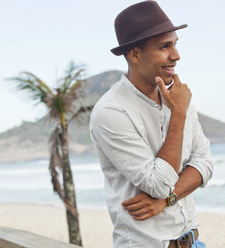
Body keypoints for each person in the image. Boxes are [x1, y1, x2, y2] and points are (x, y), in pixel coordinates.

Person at [90, 1, 213, 247]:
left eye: (175, 44)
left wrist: (168, 199)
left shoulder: (180, 97)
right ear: (135, 54)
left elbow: (205, 164)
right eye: (164, 47)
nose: (176, 56)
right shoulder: (111, 111)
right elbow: (157, 185)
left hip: (193, 241)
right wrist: (177, 116)